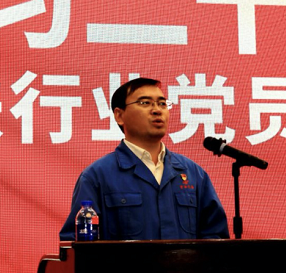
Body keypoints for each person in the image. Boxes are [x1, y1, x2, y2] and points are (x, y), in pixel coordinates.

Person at [59, 77, 229, 240]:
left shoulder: (193, 173)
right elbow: (76, 244)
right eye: (145, 103)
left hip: (183, 263)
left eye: (162, 103)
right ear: (119, 115)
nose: (157, 110)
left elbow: (216, 237)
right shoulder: (97, 176)